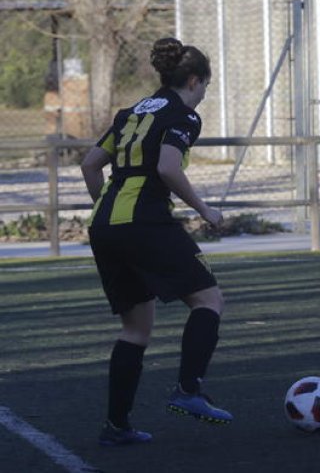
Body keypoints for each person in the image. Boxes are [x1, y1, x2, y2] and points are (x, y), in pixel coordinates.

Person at [81, 37, 233, 447]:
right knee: (209, 300)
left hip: (104, 226)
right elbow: (167, 167)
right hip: (145, 221)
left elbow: (91, 165)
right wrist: (205, 210)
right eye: (206, 86)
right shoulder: (184, 115)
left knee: (136, 329)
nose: (204, 95)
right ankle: (188, 390)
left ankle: (117, 426)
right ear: (194, 81)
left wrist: (109, 215)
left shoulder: (129, 113)